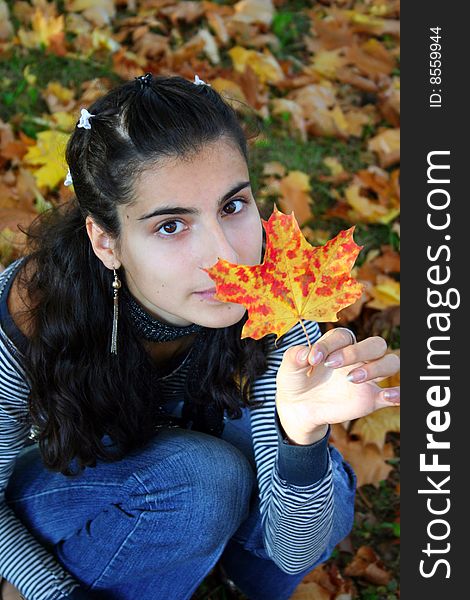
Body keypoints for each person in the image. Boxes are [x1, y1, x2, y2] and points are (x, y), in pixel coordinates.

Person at [0, 73, 400, 600]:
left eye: (233, 206)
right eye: (171, 225)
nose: (227, 257)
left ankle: (217, 565)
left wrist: (301, 435)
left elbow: (295, 552)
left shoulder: (277, 304)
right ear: (106, 241)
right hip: (72, 484)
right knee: (203, 480)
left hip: (202, 477)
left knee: (330, 490)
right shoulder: (29, 316)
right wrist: (53, 592)